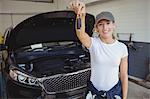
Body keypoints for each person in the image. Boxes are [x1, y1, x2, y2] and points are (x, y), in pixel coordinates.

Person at [69, 0, 128, 99]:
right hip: (94, 93)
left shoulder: (122, 47)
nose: (105, 28)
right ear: (96, 28)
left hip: (114, 93)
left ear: (114, 25)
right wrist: (80, 15)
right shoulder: (93, 43)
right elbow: (80, 34)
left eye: (108, 23)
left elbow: (123, 75)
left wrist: (125, 97)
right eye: (101, 24)